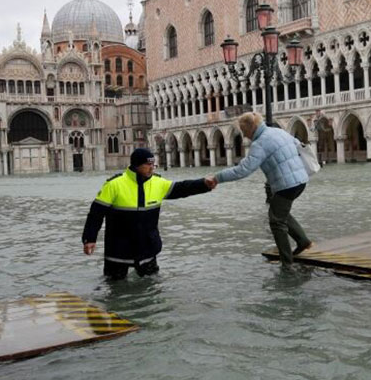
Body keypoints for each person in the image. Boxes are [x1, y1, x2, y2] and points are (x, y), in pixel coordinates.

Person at [82, 148, 213, 280]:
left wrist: (204, 184)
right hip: (118, 249)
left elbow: (183, 188)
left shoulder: (158, 183)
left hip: (148, 248)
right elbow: (96, 214)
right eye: (148, 165)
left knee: (152, 287)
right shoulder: (114, 185)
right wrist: (90, 239)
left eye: (153, 164)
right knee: (114, 288)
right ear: (136, 165)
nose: (152, 168)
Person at [206, 112, 313, 266]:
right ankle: (303, 241)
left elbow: (243, 170)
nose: (245, 136)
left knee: (276, 221)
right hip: (300, 180)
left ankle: (287, 263)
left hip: (287, 185)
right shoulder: (278, 131)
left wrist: (217, 177)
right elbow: (297, 144)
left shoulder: (260, 143)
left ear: (251, 128)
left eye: (244, 132)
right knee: (280, 212)